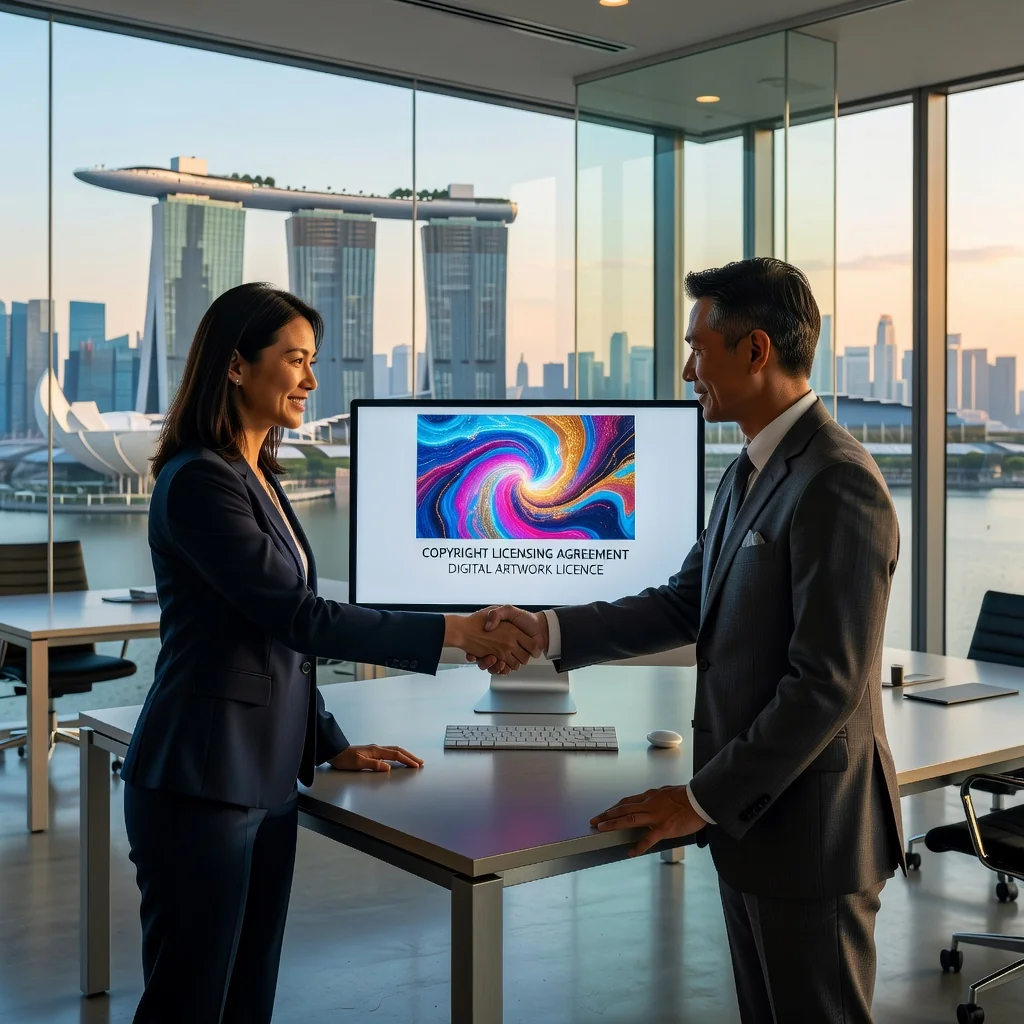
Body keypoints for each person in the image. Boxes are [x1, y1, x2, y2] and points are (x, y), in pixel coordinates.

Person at [475, 258, 905, 1024]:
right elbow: (684, 603)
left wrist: (700, 799)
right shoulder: (748, 473)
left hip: (809, 834)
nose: (685, 369)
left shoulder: (838, 480)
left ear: (756, 351)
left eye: (697, 348)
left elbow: (826, 685)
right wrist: (545, 631)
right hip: (753, 827)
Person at [120, 282, 540, 1024]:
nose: (312, 381)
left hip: (268, 776)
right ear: (237, 366)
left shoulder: (260, 478)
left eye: (313, 361)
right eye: (296, 360)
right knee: (189, 1000)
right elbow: (301, 618)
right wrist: (453, 630)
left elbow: (276, 644)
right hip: (202, 780)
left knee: (248, 996)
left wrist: (331, 745)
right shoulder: (197, 483)